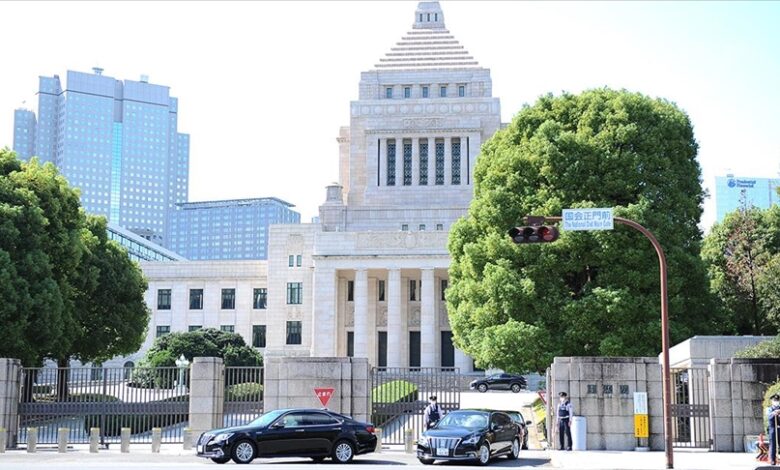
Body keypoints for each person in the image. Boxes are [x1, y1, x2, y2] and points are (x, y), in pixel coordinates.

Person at [768, 393, 780, 465]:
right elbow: (769, 416)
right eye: (775, 400)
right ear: (772, 401)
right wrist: (774, 413)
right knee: (773, 444)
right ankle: (773, 460)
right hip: (773, 428)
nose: (776, 401)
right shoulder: (769, 409)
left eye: (777, 400)